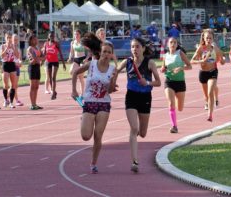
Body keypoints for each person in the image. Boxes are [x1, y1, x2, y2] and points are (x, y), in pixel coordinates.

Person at [71, 32, 118, 174]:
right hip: (89, 102)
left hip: (104, 103)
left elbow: (110, 90)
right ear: (100, 52)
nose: (106, 54)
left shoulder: (112, 70)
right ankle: (83, 119)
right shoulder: (91, 65)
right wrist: (74, 91)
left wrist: (112, 82)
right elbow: (74, 73)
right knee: (86, 136)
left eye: (109, 52)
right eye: (104, 51)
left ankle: (93, 162)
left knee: (98, 135)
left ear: (111, 55)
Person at [117, 37, 161, 173]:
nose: (134, 49)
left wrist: (147, 83)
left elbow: (158, 82)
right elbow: (114, 72)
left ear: (142, 48)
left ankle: (136, 153)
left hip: (145, 97)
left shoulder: (150, 63)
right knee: (134, 128)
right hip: (131, 96)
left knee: (142, 133)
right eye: (132, 47)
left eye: (137, 47)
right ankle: (134, 161)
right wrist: (112, 81)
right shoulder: (127, 62)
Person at [191, 29, 225, 121]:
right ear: (204, 38)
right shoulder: (201, 48)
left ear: (213, 39)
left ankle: (210, 114)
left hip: (213, 72)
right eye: (207, 38)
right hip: (203, 73)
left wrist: (222, 60)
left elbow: (222, 61)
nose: (209, 40)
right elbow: (192, 60)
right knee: (206, 96)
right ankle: (206, 101)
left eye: (210, 38)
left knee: (210, 92)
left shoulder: (216, 49)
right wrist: (201, 61)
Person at [160, 37, 192, 133]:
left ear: (177, 44)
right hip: (169, 81)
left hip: (180, 82)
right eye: (171, 42)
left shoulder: (180, 53)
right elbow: (163, 67)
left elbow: (189, 66)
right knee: (171, 103)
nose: (173, 44)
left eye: (175, 42)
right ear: (168, 44)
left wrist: (181, 68)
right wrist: (162, 69)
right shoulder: (165, 56)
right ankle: (174, 126)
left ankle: (177, 107)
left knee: (180, 108)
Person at [43, 31, 66, 100]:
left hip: (55, 62)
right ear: (48, 37)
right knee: (49, 78)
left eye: (53, 36)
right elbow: (44, 54)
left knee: (53, 77)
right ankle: (53, 90)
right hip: (48, 62)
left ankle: (53, 93)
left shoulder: (56, 44)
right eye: (50, 36)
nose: (51, 37)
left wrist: (63, 64)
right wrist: (41, 61)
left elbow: (61, 54)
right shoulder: (46, 44)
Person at [0, 31, 19, 108]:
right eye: (7, 37)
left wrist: (13, 48)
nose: (9, 39)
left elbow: (17, 56)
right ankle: (5, 100)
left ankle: (11, 102)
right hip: (5, 65)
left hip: (12, 65)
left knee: (13, 85)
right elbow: (1, 56)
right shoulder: (3, 46)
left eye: (10, 37)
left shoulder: (14, 46)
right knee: (5, 85)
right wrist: (6, 48)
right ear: (5, 38)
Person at [67, 30, 87, 99]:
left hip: (82, 60)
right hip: (76, 59)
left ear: (80, 35)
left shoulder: (83, 42)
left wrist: (87, 59)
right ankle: (75, 90)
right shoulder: (72, 42)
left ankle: (82, 94)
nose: (76, 36)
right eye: (75, 34)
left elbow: (90, 51)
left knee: (81, 77)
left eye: (77, 34)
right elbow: (71, 52)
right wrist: (69, 58)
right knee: (71, 71)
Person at [27, 35, 44, 110]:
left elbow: (43, 57)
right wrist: (41, 58)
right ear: (31, 41)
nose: (36, 41)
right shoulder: (30, 49)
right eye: (34, 40)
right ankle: (32, 104)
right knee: (32, 86)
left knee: (36, 87)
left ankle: (35, 103)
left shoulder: (37, 48)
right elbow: (35, 59)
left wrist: (41, 58)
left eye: (36, 39)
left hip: (37, 67)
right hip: (32, 67)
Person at [11, 34, 24, 106]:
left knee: (15, 86)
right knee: (13, 86)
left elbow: (20, 59)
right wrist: (16, 63)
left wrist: (20, 62)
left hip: (17, 68)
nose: (16, 41)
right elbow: (9, 59)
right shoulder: (10, 48)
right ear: (12, 40)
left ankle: (7, 99)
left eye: (17, 39)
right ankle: (15, 100)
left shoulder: (19, 49)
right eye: (14, 39)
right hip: (12, 68)